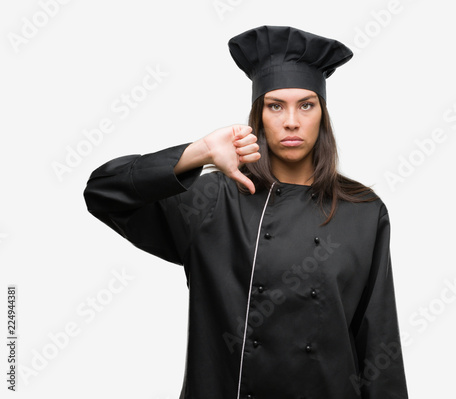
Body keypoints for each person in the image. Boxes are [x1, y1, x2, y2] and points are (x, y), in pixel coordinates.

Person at [84, 25, 409, 399]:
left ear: (322, 114)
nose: (291, 121)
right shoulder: (212, 200)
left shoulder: (363, 211)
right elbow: (103, 192)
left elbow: (377, 339)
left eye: (306, 104)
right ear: (258, 115)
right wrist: (198, 152)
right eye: (276, 106)